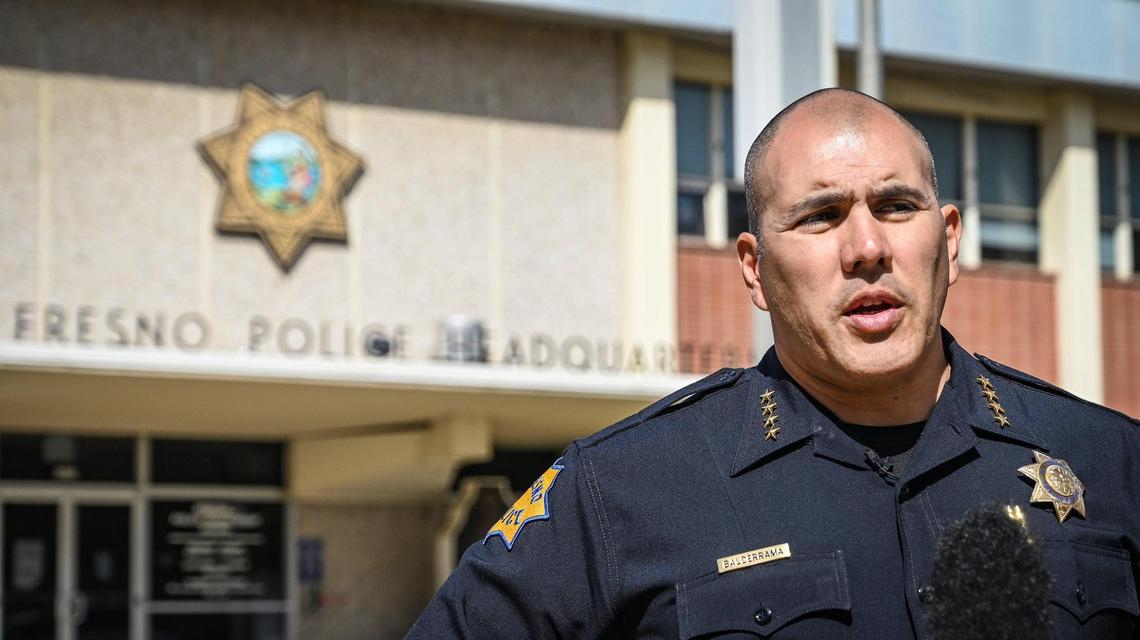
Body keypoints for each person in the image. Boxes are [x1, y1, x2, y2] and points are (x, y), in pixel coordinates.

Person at [407, 88, 1140, 638]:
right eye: (820, 216)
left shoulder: (1108, 461)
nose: (866, 248)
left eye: (895, 206)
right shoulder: (622, 488)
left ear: (947, 239)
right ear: (754, 268)